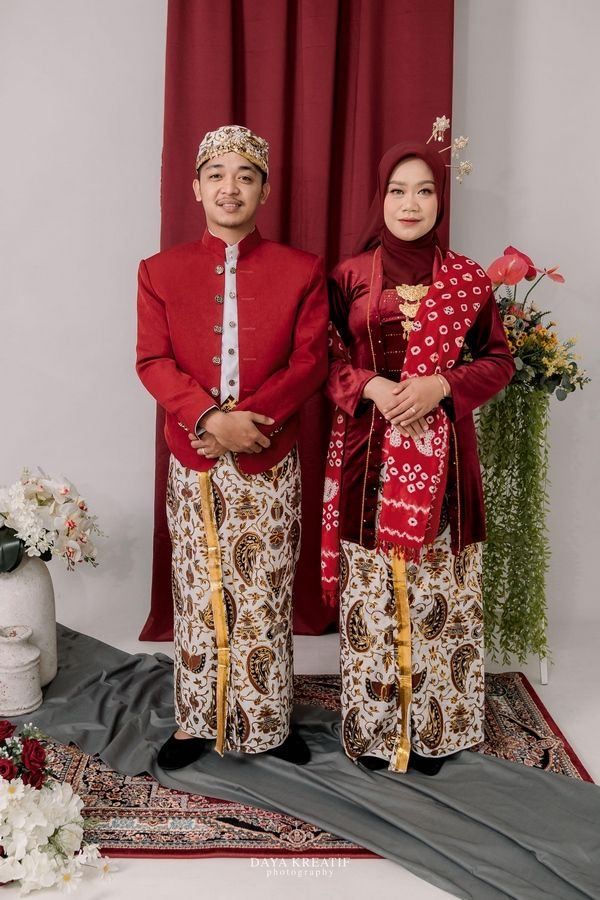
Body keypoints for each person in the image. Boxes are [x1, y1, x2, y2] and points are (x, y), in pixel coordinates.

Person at [136, 125, 328, 769]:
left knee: (265, 590)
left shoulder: (302, 270)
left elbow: (309, 362)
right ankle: (196, 721)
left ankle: (270, 721)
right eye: (216, 175)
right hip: (192, 455)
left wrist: (250, 421)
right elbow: (153, 360)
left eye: (245, 177)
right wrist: (210, 418)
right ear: (196, 187)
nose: (230, 188)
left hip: (269, 455)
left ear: (264, 191)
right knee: (197, 588)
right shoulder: (159, 271)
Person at [321, 141, 514, 775]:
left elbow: (499, 361)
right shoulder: (351, 275)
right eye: (398, 190)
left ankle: (434, 728)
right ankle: (377, 727)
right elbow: (325, 356)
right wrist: (371, 385)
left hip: (445, 466)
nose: (411, 203)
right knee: (375, 594)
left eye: (425, 191)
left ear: (441, 200)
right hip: (369, 460)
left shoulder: (467, 280)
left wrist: (442, 386)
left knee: (438, 594)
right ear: (381, 198)